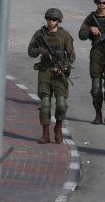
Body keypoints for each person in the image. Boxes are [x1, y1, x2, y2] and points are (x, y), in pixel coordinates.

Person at [27, 8, 75, 145]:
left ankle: (58, 127)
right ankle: (46, 133)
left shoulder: (64, 35)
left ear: (58, 21)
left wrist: (64, 67)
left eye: (54, 19)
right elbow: (31, 51)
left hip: (59, 73)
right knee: (45, 104)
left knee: (61, 104)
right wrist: (42, 51)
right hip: (45, 71)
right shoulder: (40, 34)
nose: (51, 21)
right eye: (49, 19)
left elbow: (71, 56)